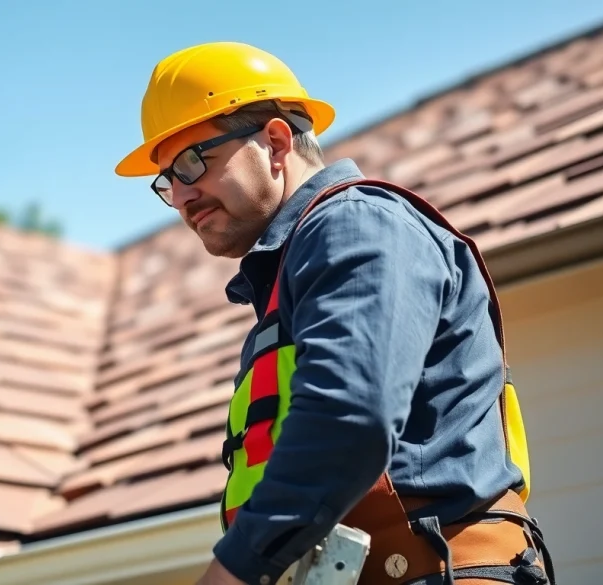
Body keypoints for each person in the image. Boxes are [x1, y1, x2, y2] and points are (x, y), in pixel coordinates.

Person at [114, 42, 555, 585]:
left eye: (190, 162)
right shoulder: (299, 263)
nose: (180, 196)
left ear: (275, 142)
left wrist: (232, 573)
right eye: (166, 181)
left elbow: (348, 420)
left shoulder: (354, 226)